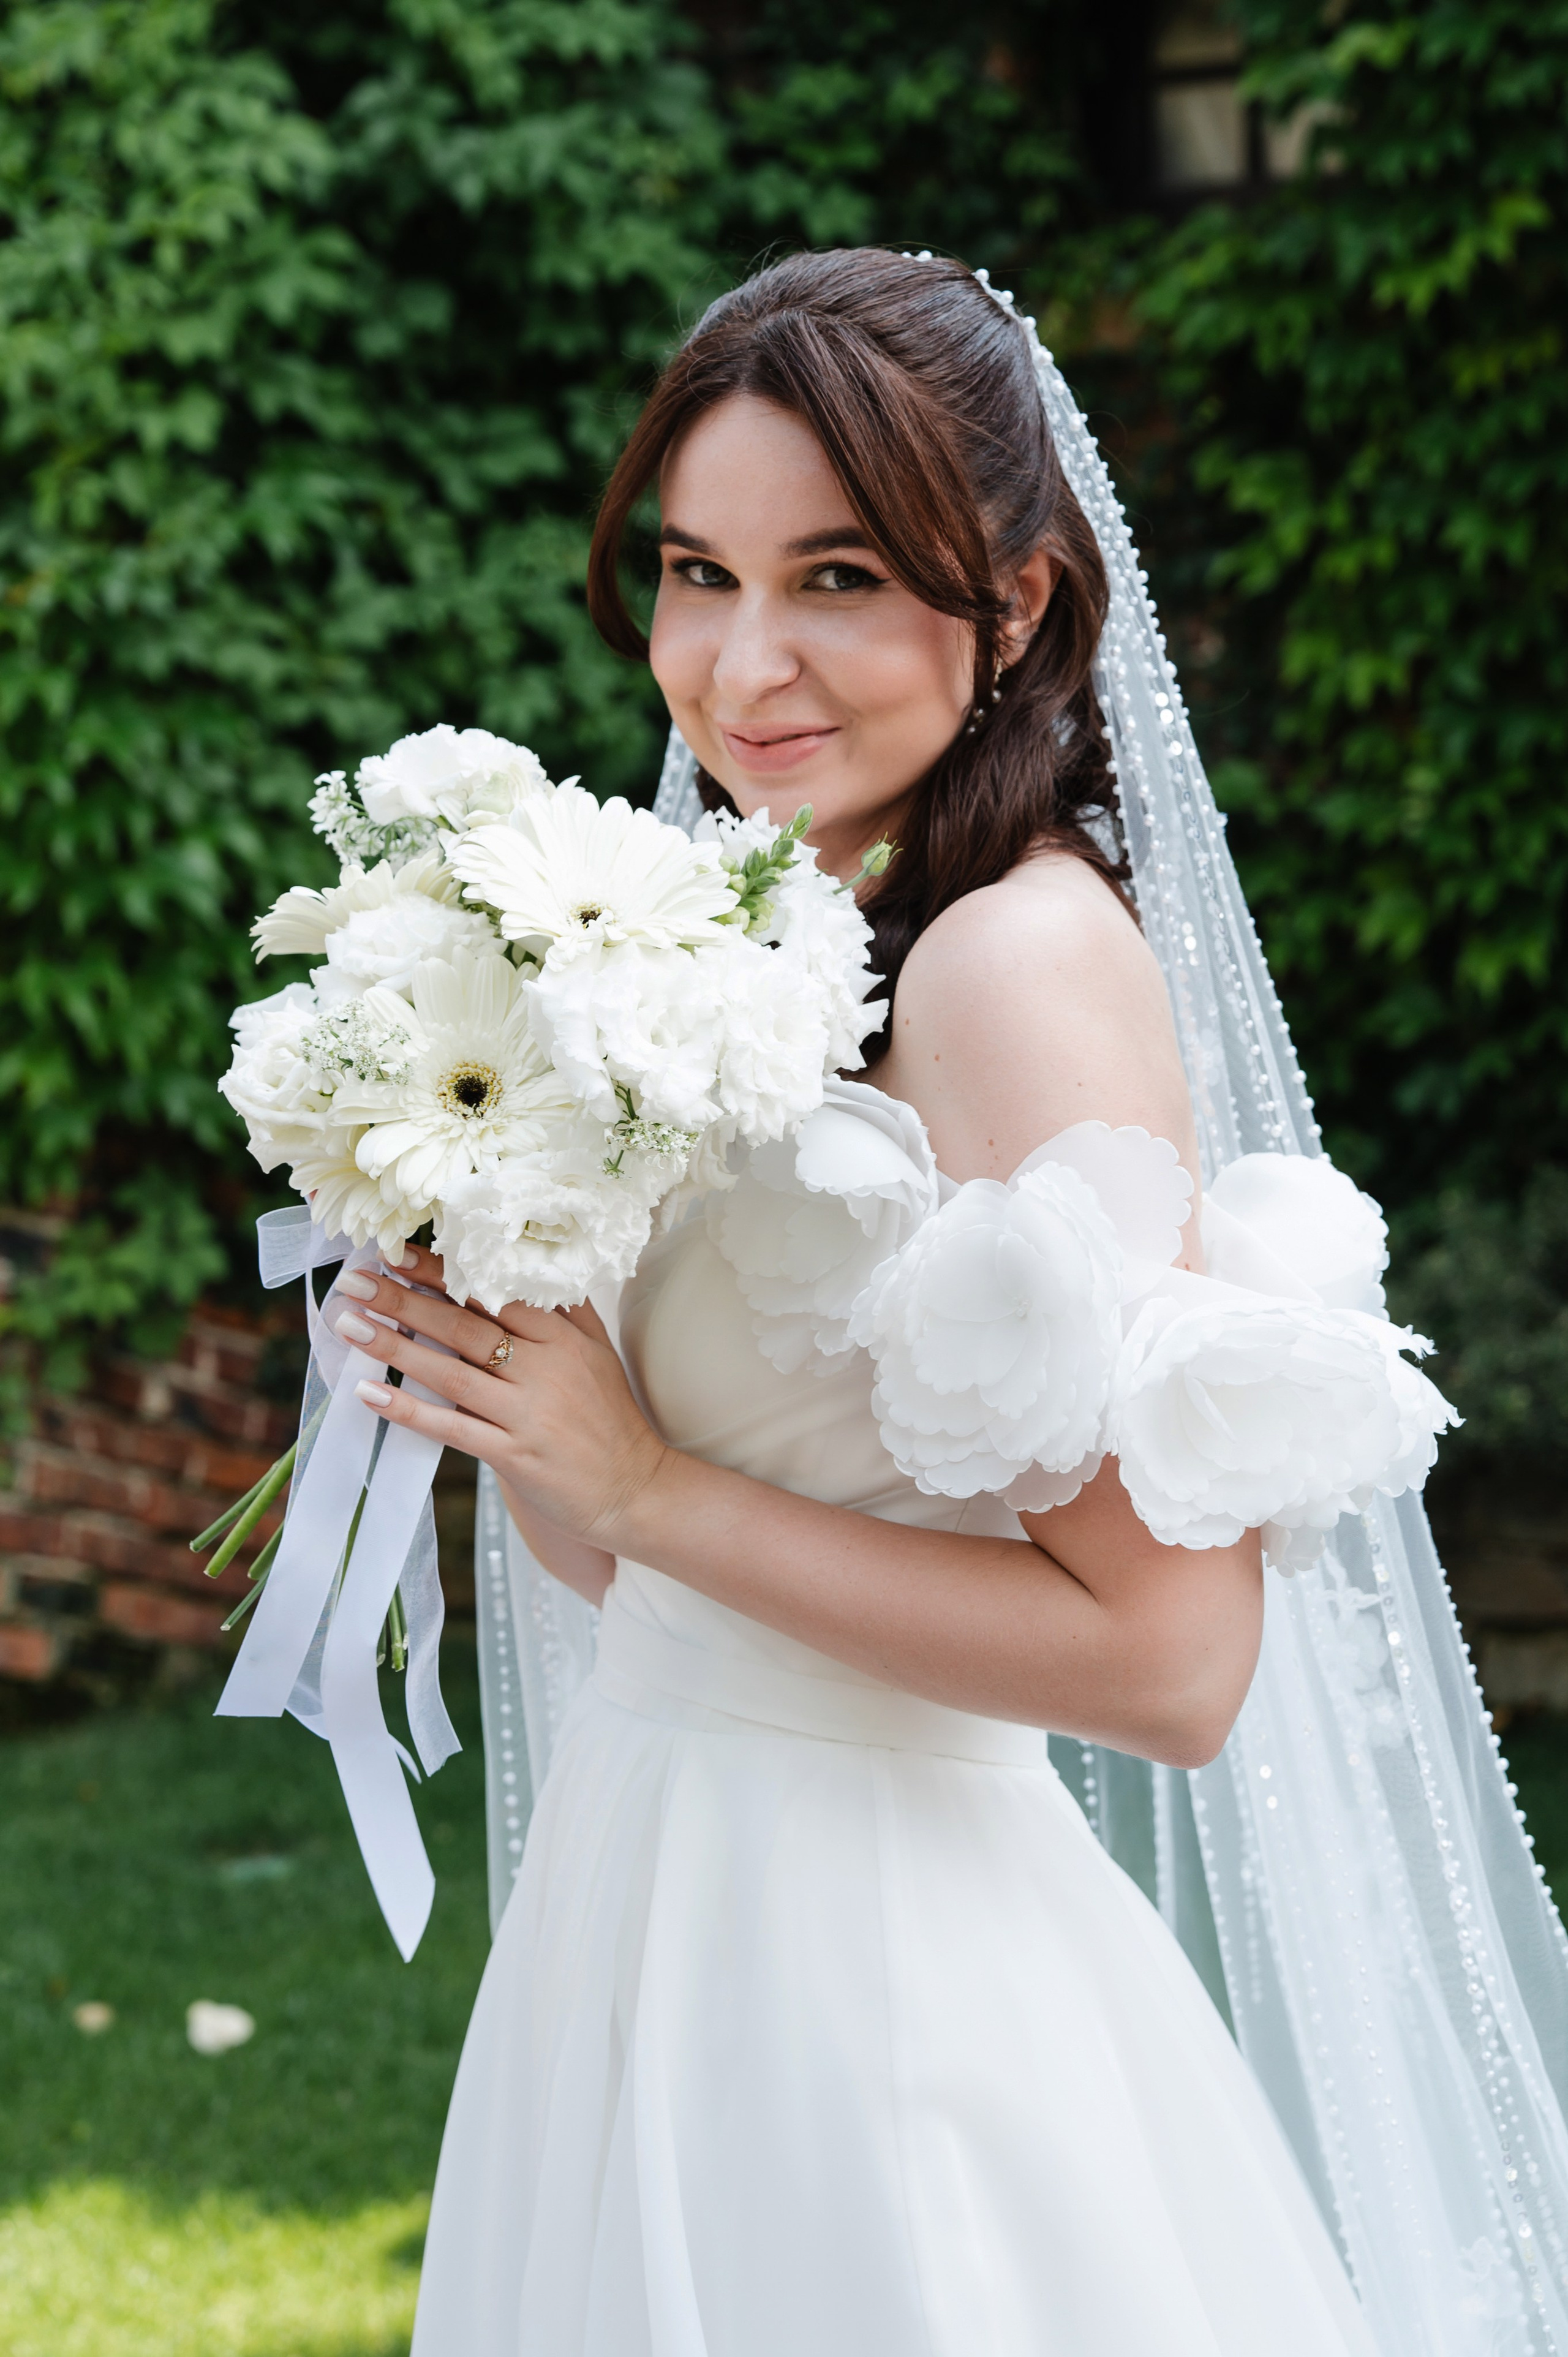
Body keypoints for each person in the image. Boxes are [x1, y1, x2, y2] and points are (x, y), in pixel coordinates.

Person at [339, 250, 1502, 2353]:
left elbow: (1172, 1658)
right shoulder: (747, 947)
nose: (743, 663)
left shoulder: (1011, 969)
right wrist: (499, 1335)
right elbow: (617, 1566)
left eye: (842, 575)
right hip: (653, 1904)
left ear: (1022, 602)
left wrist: (656, 1489)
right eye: (700, 572)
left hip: (878, 1992)